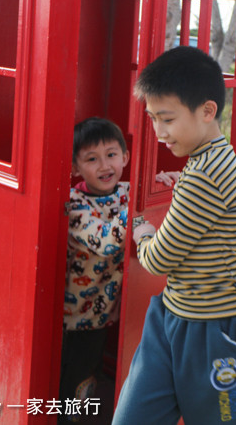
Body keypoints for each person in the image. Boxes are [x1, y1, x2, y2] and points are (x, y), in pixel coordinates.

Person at [112, 46, 236, 425]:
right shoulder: (208, 161)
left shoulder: (204, 176)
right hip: (175, 314)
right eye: (152, 119)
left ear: (207, 110)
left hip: (221, 327)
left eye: (167, 119)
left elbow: (158, 259)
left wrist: (142, 230)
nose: (159, 132)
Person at [59, 116, 176, 423]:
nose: (104, 166)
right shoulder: (75, 206)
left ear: (125, 157)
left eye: (111, 155)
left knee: (90, 372)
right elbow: (109, 242)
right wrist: (137, 211)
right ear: (75, 168)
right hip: (75, 314)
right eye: (91, 159)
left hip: (105, 310)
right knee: (72, 375)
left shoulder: (126, 191)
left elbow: (147, 198)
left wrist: (163, 182)